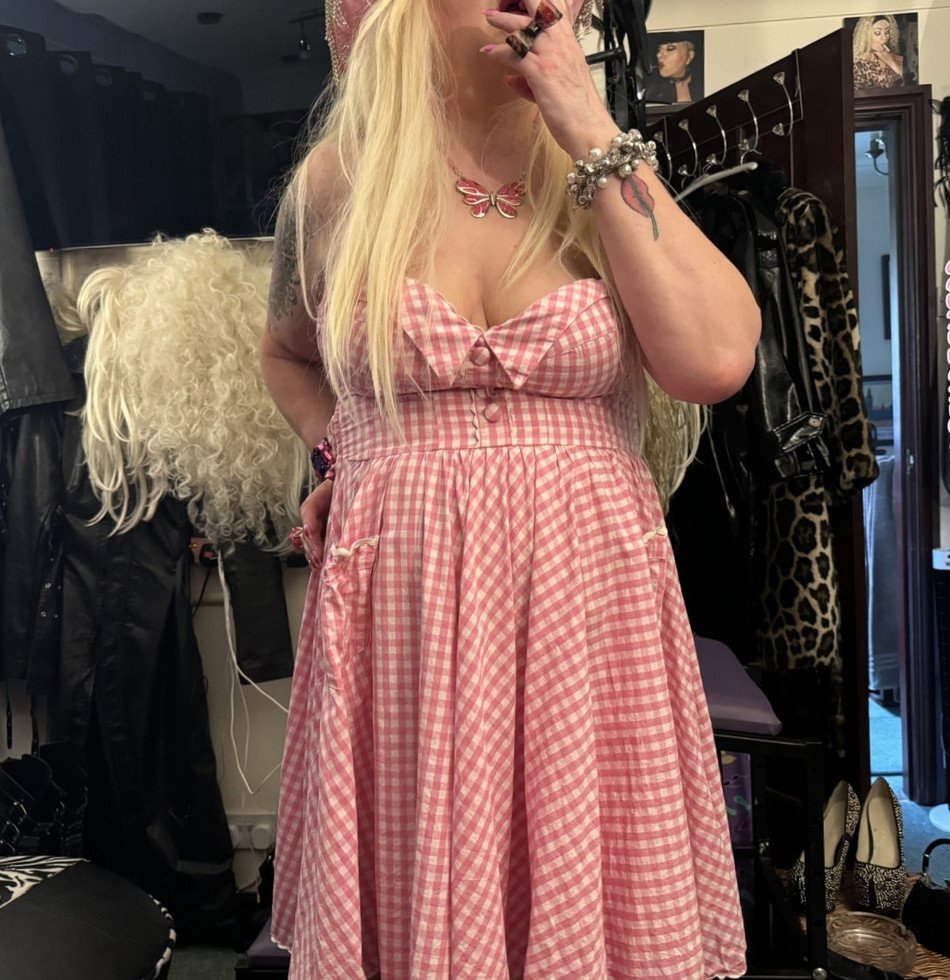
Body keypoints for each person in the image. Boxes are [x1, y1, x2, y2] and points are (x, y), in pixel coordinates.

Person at [260, 0, 761, 976]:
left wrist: (586, 122)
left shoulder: (599, 165)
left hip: (584, 613)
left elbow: (710, 360)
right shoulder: (337, 182)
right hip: (402, 616)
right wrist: (351, 455)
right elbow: (286, 354)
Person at [852, 14, 905, 90]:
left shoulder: (894, 55)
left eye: (887, 32)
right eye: (877, 33)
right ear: (866, 34)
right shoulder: (860, 62)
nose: (884, 37)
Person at [643, 38, 697, 104]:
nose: (658, 55)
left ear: (689, 56)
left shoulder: (702, 84)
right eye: (659, 49)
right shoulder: (650, 87)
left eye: (670, 48)